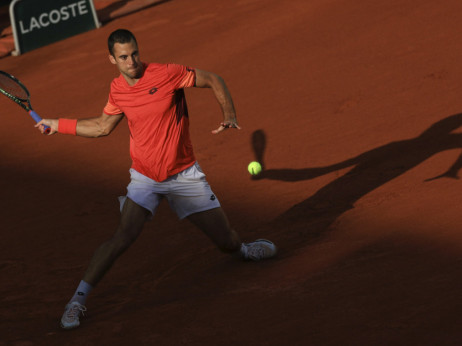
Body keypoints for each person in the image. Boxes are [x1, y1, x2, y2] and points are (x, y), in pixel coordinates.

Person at [36, 29, 277, 330]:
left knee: (226, 242)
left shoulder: (167, 73)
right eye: (124, 57)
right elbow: (101, 126)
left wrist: (228, 113)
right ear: (111, 59)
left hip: (184, 174)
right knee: (122, 237)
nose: (132, 61)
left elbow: (214, 79)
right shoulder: (117, 90)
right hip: (145, 178)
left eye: (135, 53)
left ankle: (243, 251)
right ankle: (76, 301)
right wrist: (57, 124)